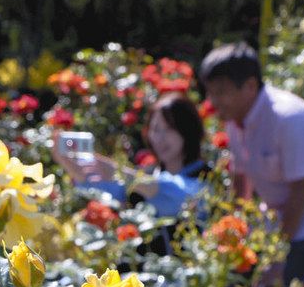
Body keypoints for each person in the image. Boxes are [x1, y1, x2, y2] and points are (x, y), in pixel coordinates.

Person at [199, 42, 304, 287]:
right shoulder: (236, 119)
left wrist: (277, 257)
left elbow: (300, 192)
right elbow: (241, 181)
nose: (212, 102)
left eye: (221, 92)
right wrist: (232, 234)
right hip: (281, 209)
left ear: (249, 86)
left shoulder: (288, 118)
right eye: (210, 92)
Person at [52, 94, 210, 252]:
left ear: (189, 129)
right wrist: (79, 173)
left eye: (169, 129)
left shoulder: (208, 176)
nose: (159, 138)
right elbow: (111, 195)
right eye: (155, 129)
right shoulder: (146, 175)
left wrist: (119, 172)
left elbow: (181, 197)